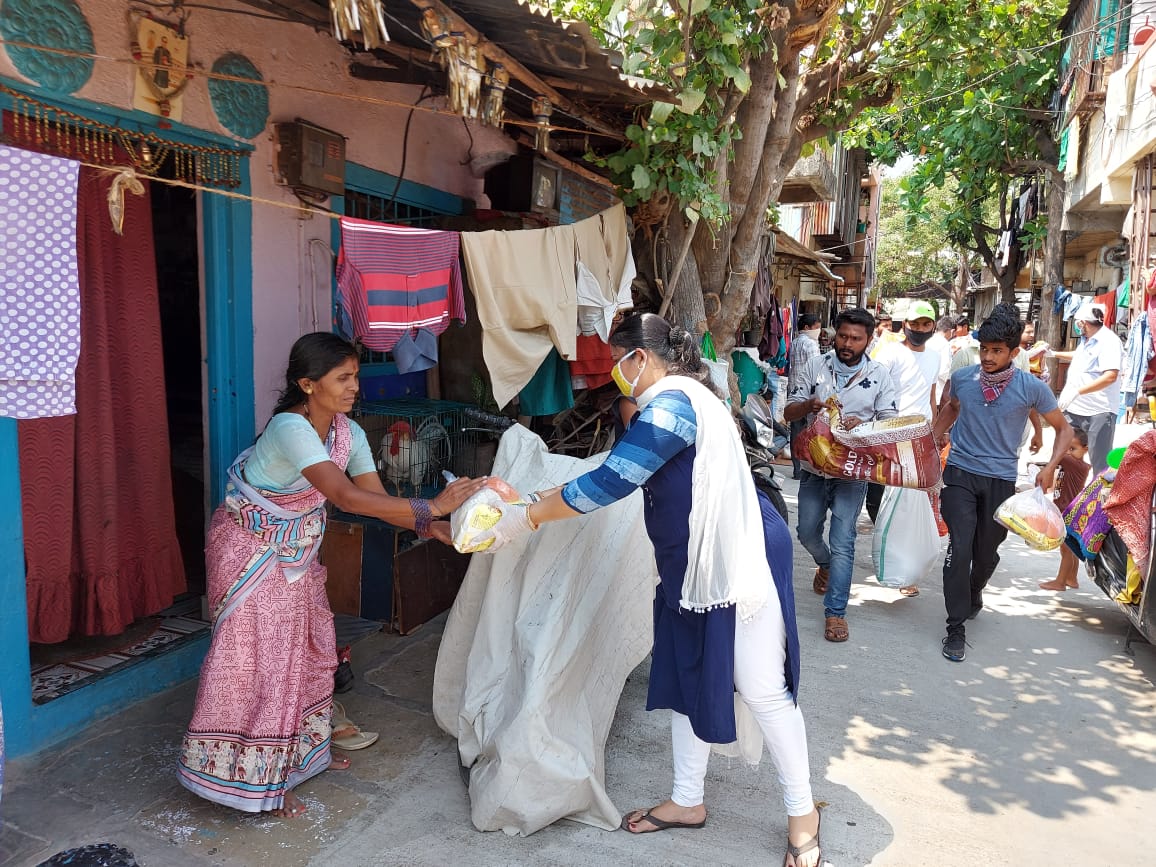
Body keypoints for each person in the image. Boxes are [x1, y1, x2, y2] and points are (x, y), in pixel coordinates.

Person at [476, 313, 823, 867]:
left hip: (734, 558)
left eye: (619, 359)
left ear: (639, 358)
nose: (615, 371)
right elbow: (618, 470)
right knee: (689, 674)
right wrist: (538, 496)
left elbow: (614, 479)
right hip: (691, 563)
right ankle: (688, 800)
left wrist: (529, 517)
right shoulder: (685, 397)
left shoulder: (670, 404)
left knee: (759, 687)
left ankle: (803, 813)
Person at [177, 333, 485, 818]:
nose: (354, 387)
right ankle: (249, 782)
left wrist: (438, 526)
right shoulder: (289, 428)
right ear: (307, 384)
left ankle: (292, 760)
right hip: (250, 553)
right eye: (343, 378)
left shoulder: (347, 434)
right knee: (258, 659)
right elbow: (345, 497)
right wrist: (430, 505)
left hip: (294, 554)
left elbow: (377, 501)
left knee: (305, 647)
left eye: (356, 376)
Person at [932, 309, 1073, 662]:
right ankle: (955, 627)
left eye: (997, 351)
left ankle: (975, 588)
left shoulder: (1032, 387)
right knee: (960, 547)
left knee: (985, 552)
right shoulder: (963, 378)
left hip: (1000, 480)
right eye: (985, 350)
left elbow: (1065, 428)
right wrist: (931, 442)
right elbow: (951, 407)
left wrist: (1050, 467)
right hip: (960, 474)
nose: (989, 358)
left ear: (1013, 352)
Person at [784, 307, 899, 643]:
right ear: (834, 334)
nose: (847, 343)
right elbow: (789, 410)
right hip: (813, 467)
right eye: (843, 336)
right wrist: (811, 406)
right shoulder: (814, 365)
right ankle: (825, 564)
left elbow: (889, 425)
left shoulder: (879, 376)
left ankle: (836, 612)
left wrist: (862, 426)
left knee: (844, 539)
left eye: (856, 338)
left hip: (853, 470)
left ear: (869, 340)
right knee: (806, 532)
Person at [865, 300, 944, 596]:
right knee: (878, 495)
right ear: (905, 324)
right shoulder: (890, 353)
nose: (920, 330)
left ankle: (905, 566)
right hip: (889, 433)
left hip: (920, 437)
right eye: (915, 324)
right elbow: (875, 387)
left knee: (912, 502)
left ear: (933, 325)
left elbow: (931, 394)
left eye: (926, 324)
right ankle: (887, 545)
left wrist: (935, 432)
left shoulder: (935, 357)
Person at [1051, 301, 1123, 475]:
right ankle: (1067, 496)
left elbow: (1110, 376)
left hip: (1098, 411)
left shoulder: (1109, 341)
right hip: (1074, 409)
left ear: (1083, 322)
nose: (1077, 326)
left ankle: (1098, 499)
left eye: (1077, 323)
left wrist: (1077, 391)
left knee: (1100, 463)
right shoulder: (1087, 339)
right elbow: (1081, 357)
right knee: (1064, 454)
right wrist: (1053, 354)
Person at [1037, 429, 1091, 592]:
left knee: (1067, 548)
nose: (1068, 452)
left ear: (1085, 449)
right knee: (1068, 547)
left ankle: (1060, 581)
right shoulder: (1075, 463)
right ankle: (1071, 577)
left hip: (1068, 511)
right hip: (1067, 509)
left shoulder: (1075, 464)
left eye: (1072, 448)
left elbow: (1059, 455)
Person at [787, 313, 823, 479]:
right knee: (810, 430)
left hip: (794, 391)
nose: (818, 331)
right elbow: (817, 370)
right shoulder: (811, 344)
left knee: (796, 431)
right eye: (816, 327)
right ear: (807, 328)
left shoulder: (795, 342)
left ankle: (797, 469)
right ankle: (808, 467)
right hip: (808, 393)